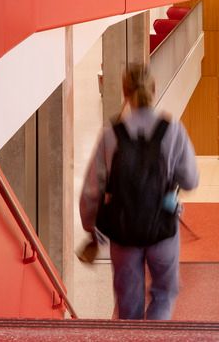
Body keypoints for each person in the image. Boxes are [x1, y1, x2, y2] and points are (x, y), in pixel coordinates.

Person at [79, 65, 198, 320]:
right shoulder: (173, 130)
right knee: (164, 295)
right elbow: (190, 180)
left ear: (125, 92)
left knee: (127, 304)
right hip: (162, 229)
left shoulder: (111, 135)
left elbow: (91, 191)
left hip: (123, 233)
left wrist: (91, 228)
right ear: (153, 90)